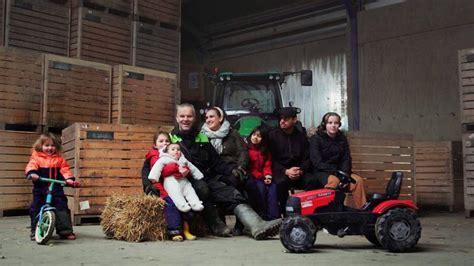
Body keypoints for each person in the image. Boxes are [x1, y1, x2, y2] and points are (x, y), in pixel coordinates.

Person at [170, 103, 281, 240]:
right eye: (182, 116)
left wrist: (232, 170)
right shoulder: (170, 139)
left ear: (194, 118)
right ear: (176, 118)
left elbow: (216, 161)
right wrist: (149, 184)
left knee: (232, 193)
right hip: (185, 181)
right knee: (203, 188)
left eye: (189, 116)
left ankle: (256, 225)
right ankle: (216, 224)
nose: (185, 119)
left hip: (207, 177)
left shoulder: (202, 137)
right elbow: (154, 162)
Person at [25, 133, 80, 241]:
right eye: (47, 145)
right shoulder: (36, 158)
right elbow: (30, 167)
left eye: (53, 145)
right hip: (40, 188)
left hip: (56, 189)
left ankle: (65, 231)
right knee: (36, 208)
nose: (50, 148)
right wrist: (32, 173)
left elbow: (65, 170)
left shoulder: (59, 160)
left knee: (62, 207)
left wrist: (68, 179)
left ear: (57, 147)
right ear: (40, 146)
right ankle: (35, 230)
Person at [141, 132, 193, 241]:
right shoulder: (155, 156)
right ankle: (174, 231)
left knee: (186, 201)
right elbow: (163, 171)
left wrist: (185, 170)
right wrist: (178, 169)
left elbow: (185, 164)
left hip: (176, 184)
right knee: (171, 204)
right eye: (161, 141)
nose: (164, 143)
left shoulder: (174, 153)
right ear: (155, 145)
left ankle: (186, 229)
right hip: (161, 186)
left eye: (167, 141)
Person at [309, 112, 367, 209]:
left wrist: (344, 175)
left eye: (336, 123)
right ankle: (334, 211)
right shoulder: (316, 139)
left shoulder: (342, 139)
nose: (333, 125)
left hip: (341, 172)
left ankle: (361, 211)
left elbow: (346, 158)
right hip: (323, 172)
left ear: (339, 124)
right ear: (324, 124)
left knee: (358, 181)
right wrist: (337, 173)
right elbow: (317, 162)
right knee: (334, 181)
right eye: (330, 123)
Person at [268, 107, 320, 215]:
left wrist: (301, 170)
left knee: (313, 181)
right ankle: (285, 214)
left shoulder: (301, 137)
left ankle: (309, 213)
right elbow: (270, 159)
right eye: (280, 118)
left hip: (299, 171)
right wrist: (285, 171)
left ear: (294, 120)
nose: (282, 121)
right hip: (281, 171)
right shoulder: (272, 136)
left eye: (286, 119)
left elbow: (308, 157)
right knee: (281, 183)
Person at [200, 106, 249, 188]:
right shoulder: (202, 135)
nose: (208, 120)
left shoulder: (233, 133)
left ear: (220, 118)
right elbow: (200, 154)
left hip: (233, 167)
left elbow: (242, 151)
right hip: (214, 170)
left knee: (248, 183)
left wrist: (241, 167)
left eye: (211, 116)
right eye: (206, 118)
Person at [148, 143, 204, 213]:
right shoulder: (165, 159)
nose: (176, 151)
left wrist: (198, 175)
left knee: (189, 190)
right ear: (167, 152)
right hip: (171, 180)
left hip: (183, 180)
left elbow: (192, 167)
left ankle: (196, 203)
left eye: (178, 149)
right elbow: (157, 167)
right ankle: (182, 204)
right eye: (173, 149)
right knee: (175, 192)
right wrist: (153, 177)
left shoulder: (183, 160)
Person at [246, 126, 280, 220]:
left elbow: (267, 164)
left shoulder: (264, 150)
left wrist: (268, 176)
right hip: (253, 177)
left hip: (263, 176)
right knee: (260, 189)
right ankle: (262, 216)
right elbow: (249, 167)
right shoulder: (246, 149)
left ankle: (274, 217)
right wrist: (260, 176)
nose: (255, 138)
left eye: (259, 136)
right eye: (254, 134)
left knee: (272, 188)